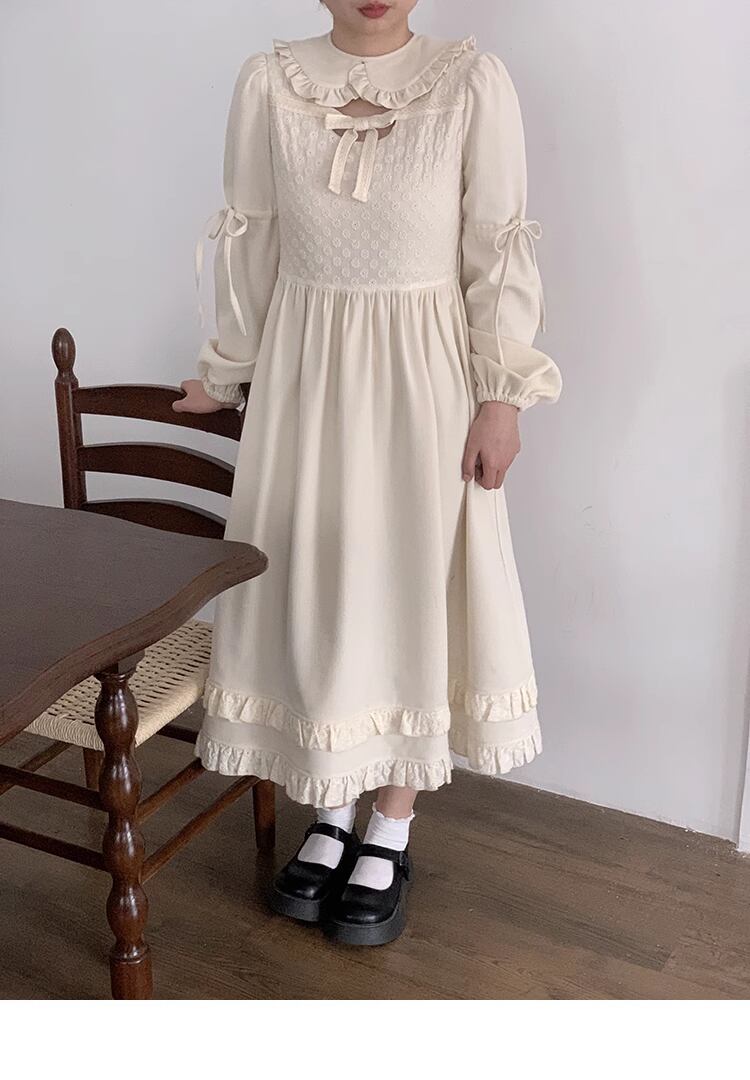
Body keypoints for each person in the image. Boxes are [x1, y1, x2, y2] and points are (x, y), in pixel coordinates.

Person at [173, 0, 561, 947]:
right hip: (304, 382)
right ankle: (331, 808)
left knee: (407, 592)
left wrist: (503, 397)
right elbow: (254, 241)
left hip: (424, 388)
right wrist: (226, 371)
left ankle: (390, 822)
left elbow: (495, 245)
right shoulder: (270, 84)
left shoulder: (470, 83)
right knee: (316, 586)